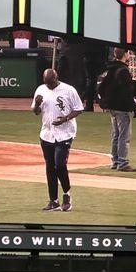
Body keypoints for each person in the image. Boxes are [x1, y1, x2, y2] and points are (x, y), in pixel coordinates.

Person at [31, 69, 84, 212]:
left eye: (51, 82)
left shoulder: (69, 90)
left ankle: (66, 194)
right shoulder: (41, 90)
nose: (48, 85)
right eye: (46, 83)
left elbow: (79, 109)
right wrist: (36, 104)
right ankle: (53, 201)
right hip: (47, 134)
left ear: (56, 78)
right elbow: (36, 112)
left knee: (59, 165)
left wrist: (65, 118)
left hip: (64, 134)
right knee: (50, 168)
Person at [100, 48, 136, 172]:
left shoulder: (110, 68)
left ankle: (115, 161)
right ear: (126, 54)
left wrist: (105, 101)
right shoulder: (123, 71)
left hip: (112, 106)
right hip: (122, 107)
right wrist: (134, 108)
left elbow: (101, 87)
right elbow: (127, 92)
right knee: (124, 135)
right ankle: (122, 163)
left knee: (116, 135)